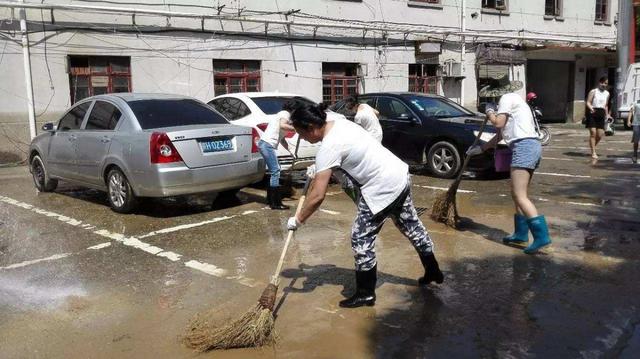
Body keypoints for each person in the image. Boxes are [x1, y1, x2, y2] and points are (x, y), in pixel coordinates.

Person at [286, 102, 443, 308]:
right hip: (398, 175)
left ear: (311, 127)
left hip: (382, 187)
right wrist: (318, 167)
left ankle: (365, 293)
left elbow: (316, 196)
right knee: (410, 225)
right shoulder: (337, 121)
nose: (302, 138)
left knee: (361, 237)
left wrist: (298, 219)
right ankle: (433, 270)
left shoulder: (329, 147)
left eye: (301, 133)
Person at [468, 78, 552, 254]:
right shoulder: (515, 101)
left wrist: (490, 112)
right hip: (529, 146)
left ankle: (541, 236)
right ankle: (521, 234)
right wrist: (480, 148)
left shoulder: (507, 98)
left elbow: (497, 123)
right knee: (517, 194)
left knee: (519, 195)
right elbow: (500, 134)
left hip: (524, 147)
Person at [258, 101, 296, 210]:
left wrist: (290, 150)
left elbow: (282, 138)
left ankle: (271, 201)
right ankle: (275, 203)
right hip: (267, 145)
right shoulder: (285, 114)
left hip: (265, 144)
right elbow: (282, 125)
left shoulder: (282, 115)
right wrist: (295, 129)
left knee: (274, 171)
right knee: (276, 171)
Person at [585, 77, 610, 159]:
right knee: (593, 133)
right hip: (593, 112)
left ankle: (592, 147)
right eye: (603, 83)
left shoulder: (607, 93)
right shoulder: (593, 91)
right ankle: (593, 152)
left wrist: (607, 115)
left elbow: (606, 105)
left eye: (606, 83)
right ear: (599, 82)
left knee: (600, 135)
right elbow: (588, 102)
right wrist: (591, 108)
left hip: (601, 113)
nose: (604, 85)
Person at [627, 99, 640, 163]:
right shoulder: (635, 102)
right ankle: (635, 155)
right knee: (636, 140)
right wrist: (629, 120)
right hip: (636, 123)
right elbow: (631, 111)